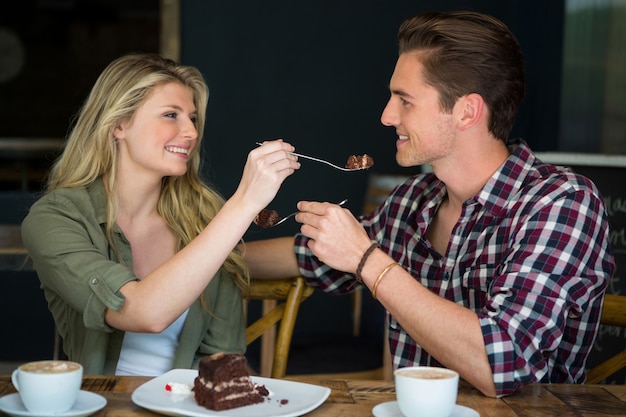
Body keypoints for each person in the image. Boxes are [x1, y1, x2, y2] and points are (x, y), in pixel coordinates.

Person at [243, 11, 615, 397]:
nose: (387, 116)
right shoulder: (412, 201)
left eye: (405, 101)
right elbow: (307, 255)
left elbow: (501, 363)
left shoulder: (562, 203)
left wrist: (367, 259)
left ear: (466, 111)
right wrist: (196, 256)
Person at [21, 53, 300, 375]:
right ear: (118, 125)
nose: (191, 132)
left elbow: (224, 359)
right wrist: (245, 202)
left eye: (193, 118)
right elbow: (140, 313)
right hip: (102, 405)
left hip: (188, 406)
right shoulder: (56, 218)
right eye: (171, 115)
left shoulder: (204, 223)